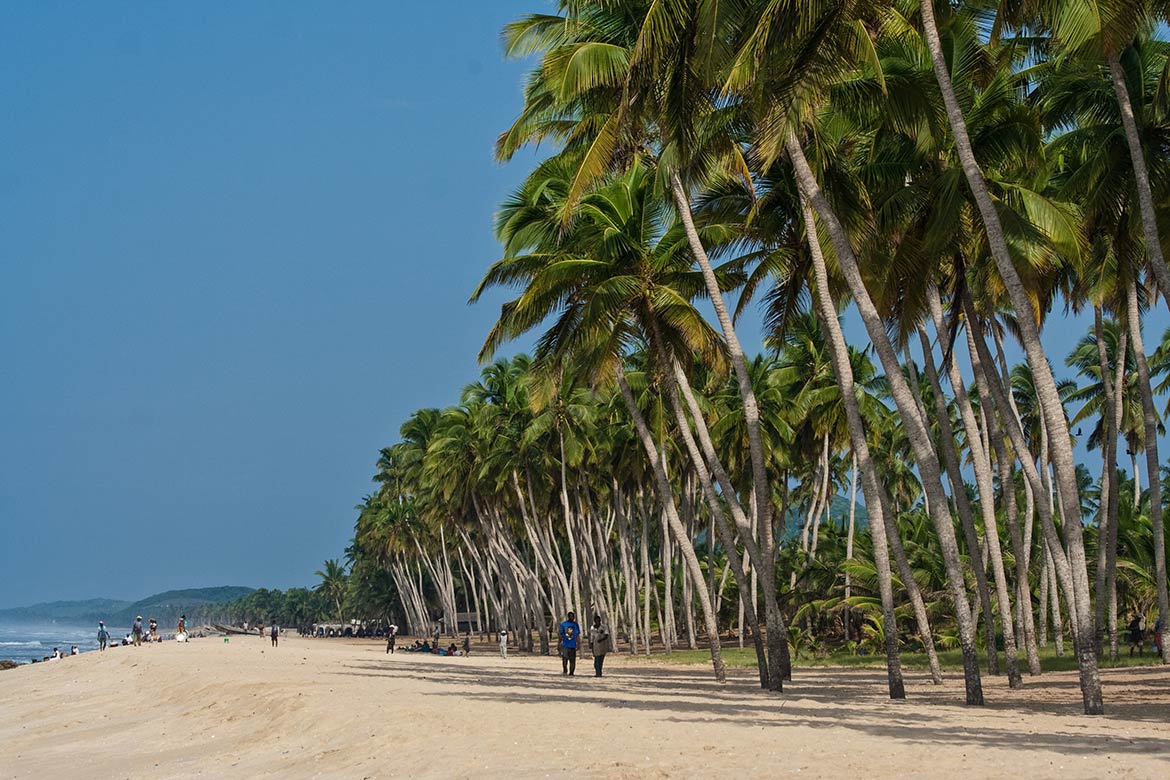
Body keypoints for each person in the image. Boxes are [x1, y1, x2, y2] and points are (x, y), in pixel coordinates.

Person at [558, 611, 581, 676]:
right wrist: (559, 643)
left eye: (573, 616)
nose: (572, 618)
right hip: (565, 644)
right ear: (568, 617)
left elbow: (577, 635)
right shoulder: (564, 624)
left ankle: (571, 672)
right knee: (564, 658)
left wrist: (578, 643)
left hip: (572, 645)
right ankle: (565, 669)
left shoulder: (575, 625)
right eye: (570, 616)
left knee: (572, 660)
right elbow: (560, 634)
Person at [588, 613, 610, 678]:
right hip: (595, 644)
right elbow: (592, 636)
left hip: (602, 644)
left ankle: (599, 672)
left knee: (601, 658)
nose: (597, 622)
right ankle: (597, 672)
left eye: (598, 620)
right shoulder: (592, 628)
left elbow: (606, 635)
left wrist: (601, 639)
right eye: (596, 620)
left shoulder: (604, 627)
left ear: (600, 621)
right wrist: (591, 644)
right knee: (596, 659)